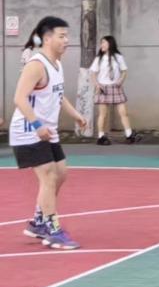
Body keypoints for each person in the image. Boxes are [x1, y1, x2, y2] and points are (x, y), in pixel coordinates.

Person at [10, 17, 88, 249]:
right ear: (47, 38)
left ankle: (38, 221)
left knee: (61, 174)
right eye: (61, 36)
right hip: (28, 130)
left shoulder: (57, 64)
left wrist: (76, 114)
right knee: (49, 177)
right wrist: (36, 125)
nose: (67, 40)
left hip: (47, 130)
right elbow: (19, 98)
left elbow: (58, 95)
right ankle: (53, 231)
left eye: (67, 36)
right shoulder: (36, 64)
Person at [89, 35, 140, 145]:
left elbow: (124, 71)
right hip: (103, 87)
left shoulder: (118, 57)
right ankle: (101, 137)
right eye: (101, 43)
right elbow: (92, 73)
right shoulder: (99, 59)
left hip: (116, 87)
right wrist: (97, 85)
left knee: (123, 113)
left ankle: (129, 135)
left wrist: (120, 81)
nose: (101, 45)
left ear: (110, 44)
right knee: (103, 114)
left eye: (104, 42)